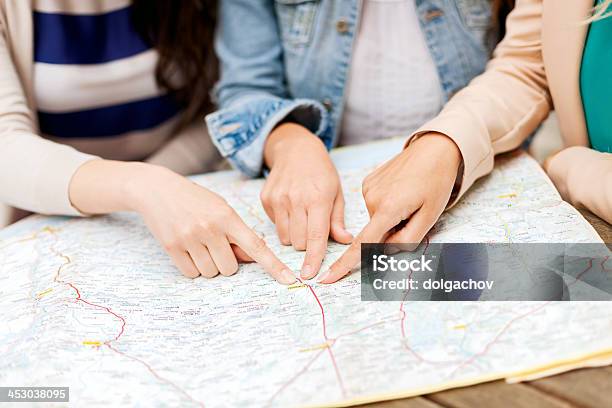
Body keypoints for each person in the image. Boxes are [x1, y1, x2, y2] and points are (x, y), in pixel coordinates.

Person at [207, 0, 514, 282]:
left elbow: (525, 65)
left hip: (471, 161)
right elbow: (246, 85)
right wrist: (288, 140)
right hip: (328, 176)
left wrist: (448, 141)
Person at [0, 0, 295, 284]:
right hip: (52, 211)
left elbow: (221, 105)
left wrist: (160, 188)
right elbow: (6, 144)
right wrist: (141, 187)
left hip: (183, 188)